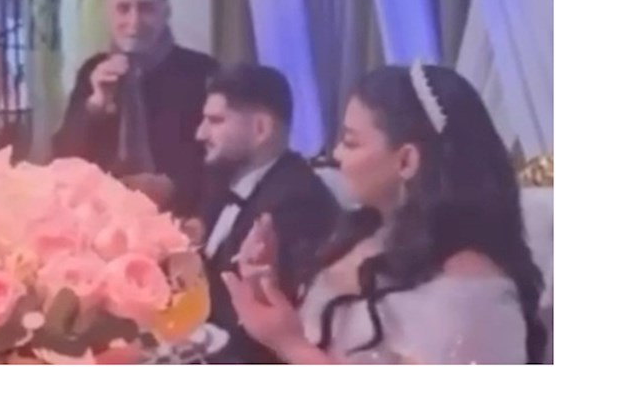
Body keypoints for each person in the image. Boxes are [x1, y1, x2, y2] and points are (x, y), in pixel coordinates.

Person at [222, 64, 547, 364]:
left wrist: (291, 345)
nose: (336, 154)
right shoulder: (370, 232)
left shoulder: (470, 290)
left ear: (406, 161)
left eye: (351, 142)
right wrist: (271, 290)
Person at [194, 65, 338, 363]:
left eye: (216, 121)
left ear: (261, 128)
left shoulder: (298, 202)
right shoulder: (226, 183)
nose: (201, 133)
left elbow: (259, 328)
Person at [52, 0, 218, 217]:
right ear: (108, 14)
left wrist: (173, 188)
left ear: (166, 14)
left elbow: (221, 159)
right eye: (123, 9)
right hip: (100, 217)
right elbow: (63, 158)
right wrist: (95, 105)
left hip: (177, 216)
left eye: (147, 9)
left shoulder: (201, 72)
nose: (134, 22)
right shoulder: (93, 70)